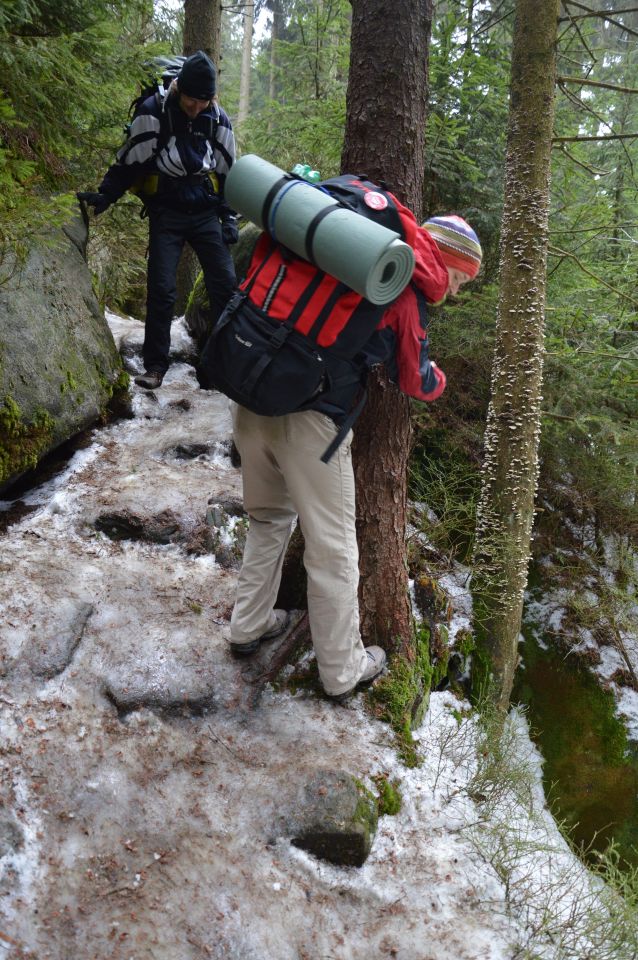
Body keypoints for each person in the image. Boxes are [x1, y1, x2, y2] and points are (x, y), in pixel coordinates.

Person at [228, 210, 482, 703]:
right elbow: (415, 379)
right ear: (445, 261)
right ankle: (342, 671)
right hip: (311, 421)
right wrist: (440, 379)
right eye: (457, 279)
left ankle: (248, 625)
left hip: (251, 396)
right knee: (334, 551)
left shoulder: (343, 254)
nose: (453, 291)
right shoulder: (405, 284)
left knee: (268, 520)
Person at [78, 50, 238, 390]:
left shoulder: (219, 119)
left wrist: (229, 217)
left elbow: (228, 174)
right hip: (168, 209)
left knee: (225, 286)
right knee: (162, 289)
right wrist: (106, 194)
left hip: (206, 209)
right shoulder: (153, 112)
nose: (197, 108)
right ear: (179, 89)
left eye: (204, 102)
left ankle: (220, 366)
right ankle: (155, 367)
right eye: (192, 100)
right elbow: (130, 162)